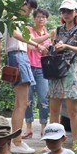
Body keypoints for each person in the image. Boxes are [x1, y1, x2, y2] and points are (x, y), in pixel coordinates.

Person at [4, 0, 45, 154]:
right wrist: (36, 44)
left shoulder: (18, 20)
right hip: (18, 57)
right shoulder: (13, 18)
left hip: (20, 56)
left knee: (20, 103)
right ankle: (17, 141)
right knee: (22, 103)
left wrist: (38, 45)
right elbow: (15, 34)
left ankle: (16, 140)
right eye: (29, 8)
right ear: (22, 4)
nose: (30, 12)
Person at [48, 0, 77, 144]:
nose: (66, 14)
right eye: (63, 11)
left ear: (76, 12)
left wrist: (67, 46)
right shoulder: (58, 30)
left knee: (73, 111)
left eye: (69, 11)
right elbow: (53, 48)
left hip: (72, 72)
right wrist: (53, 48)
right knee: (54, 110)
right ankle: (53, 142)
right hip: (57, 71)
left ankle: (76, 144)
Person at [23, 8, 52, 139]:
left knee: (43, 99)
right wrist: (47, 37)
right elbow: (30, 44)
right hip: (28, 67)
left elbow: (47, 52)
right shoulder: (28, 30)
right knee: (27, 99)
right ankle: (28, 127)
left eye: (43, 17)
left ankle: (44, 127)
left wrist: (46, 48)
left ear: (46, 20)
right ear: (34, 18)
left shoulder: (47, 34)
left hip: (42, 69)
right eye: (38, 16)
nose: (41, 19)